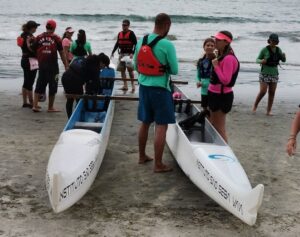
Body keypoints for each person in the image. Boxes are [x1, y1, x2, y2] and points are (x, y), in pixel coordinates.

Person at [133, 13, 178, 173]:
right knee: (161, 125)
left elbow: (135, 66)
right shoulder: (167, 44)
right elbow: (175, 70)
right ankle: (158, 164)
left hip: (144, 88)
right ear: (167, 25)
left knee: (145, 122)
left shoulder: (141, 41)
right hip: (160, 90)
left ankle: (141, 156)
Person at [208, 31, 240, 142]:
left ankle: (225, 154)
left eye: (218, 40)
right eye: (215, 39)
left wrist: (216, 66)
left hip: (221, 96)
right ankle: (214, 148)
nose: (215, 41)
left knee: (219, 128)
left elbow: (226, 80)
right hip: (214, 94)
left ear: (226, 42)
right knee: (212, 124)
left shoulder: (229, 58)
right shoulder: (221, 55)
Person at [32, 19, 68, 112]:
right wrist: (66, 65)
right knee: (53, 85)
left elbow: (33, 49)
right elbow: (62, 53)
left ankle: (35, 105)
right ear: (54, 28)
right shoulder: (57, 38)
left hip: (42, 65)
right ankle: (50, 107)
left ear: (46, 27)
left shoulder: (39, 37)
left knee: (40, 84)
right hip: (53, 66)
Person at [252, 33, 286, 116]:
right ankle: (255, 105)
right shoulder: (264, 50)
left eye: (275, 41)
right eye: (272, 40)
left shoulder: (278, 50)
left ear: (277, 41)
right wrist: (261, 61)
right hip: (264, 73)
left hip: (274, 73)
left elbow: (283, 60)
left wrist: (284, 56)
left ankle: (269, 110)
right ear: (269, 40)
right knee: (263, 91)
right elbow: (257, 59)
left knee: (272, 92)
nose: (274, 42)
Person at [18, 20, 40, 108]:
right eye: (36, 27)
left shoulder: (22, 35)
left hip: (24, 59)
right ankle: (31, 102)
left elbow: (22, 47)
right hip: (31, 60)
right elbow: (32, 49)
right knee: (30, 82)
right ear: (32, 28)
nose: (36, 29)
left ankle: (25, 102)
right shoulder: (30, 37)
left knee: (26, 81)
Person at [111, 19, 137, 92]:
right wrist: (113, 52)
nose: (124, 26)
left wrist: (133, 53)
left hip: (129, 55)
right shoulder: (120, 34)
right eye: (123, 25)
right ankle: (125, 85)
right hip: (121, 54)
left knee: (130, 70)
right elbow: (117, 44)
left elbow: (136, 44)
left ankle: (133, 85)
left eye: (125, 25)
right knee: (122, 70)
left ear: (128, 26)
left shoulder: (131, 33)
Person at [196, 38, 216, 112]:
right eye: (208, 45)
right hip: (203, 88)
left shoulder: (216, 60)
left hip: (213, 89)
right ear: (204, 47)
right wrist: (198, 81)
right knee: (204, 108)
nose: (210, 47)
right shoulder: (201, 61)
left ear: (215, 47)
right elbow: (197, 75)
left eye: (212, 45)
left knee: (212, 109)